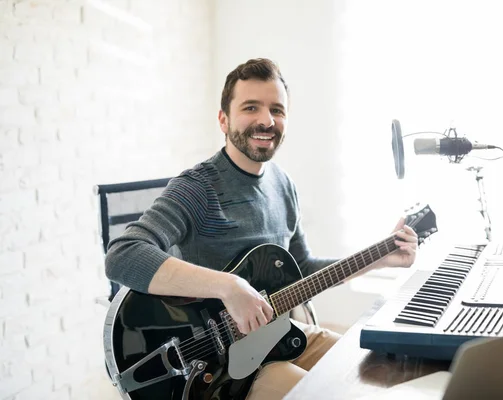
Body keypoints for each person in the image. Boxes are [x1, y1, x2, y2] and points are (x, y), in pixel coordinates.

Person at [105, 58, 418, 399]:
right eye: (251, 107)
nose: (266, 120)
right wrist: (230, 287)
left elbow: (302, 271)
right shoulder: (197, 188)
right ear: (223, 120)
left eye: (277, 110)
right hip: (221, 367)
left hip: (277, 334)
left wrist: (380, 259)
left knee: (374, 366)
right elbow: (123, 255)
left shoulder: (283, 185)